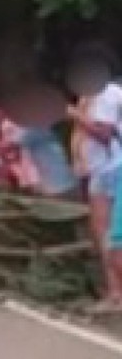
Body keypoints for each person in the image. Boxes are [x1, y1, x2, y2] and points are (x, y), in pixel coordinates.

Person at [68, 77, 122, 306]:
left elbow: (104, 133)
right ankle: (114, 290)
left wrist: (74, 114)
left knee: (111, 235)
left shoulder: (105, 93)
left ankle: (116, 290)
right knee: (104, 234)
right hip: (100, 171)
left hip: (112, 169)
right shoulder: (89, 95)